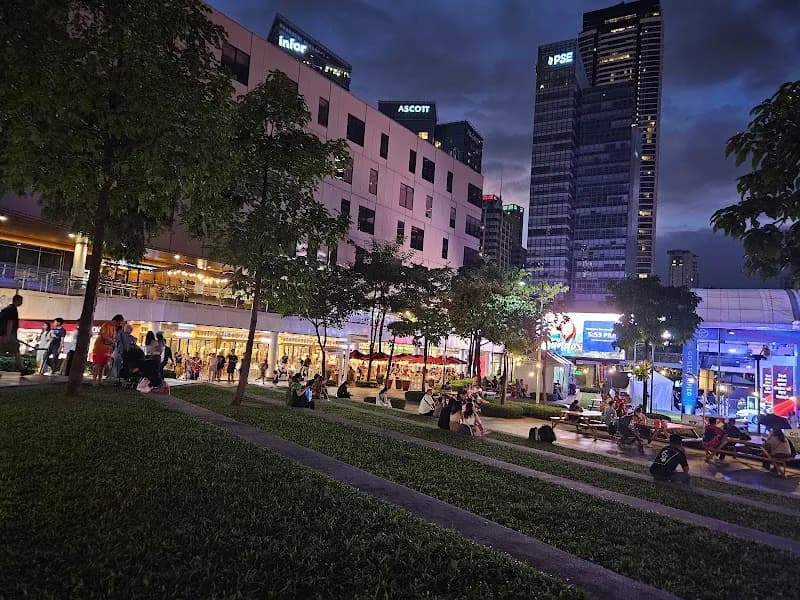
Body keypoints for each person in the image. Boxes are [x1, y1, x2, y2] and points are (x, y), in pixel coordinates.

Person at [92, 314, 124, 386]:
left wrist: (113, 345)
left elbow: (112, 338)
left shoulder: (114, 328)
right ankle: (94, 381)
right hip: (100, 348)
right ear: (115, 321)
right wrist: (113, 342)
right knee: (98, 364)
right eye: (118, 323)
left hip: (107, 349)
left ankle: (100, 381)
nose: (119, 325)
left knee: (103, 365)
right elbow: (104, 336)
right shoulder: (106, 325)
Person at [0, 294, 24, 375]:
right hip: (9, 335)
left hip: (3, 334)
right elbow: (10, 322)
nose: (22, 303)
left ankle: (22, 369)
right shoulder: (12, 309)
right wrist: (8, 335)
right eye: (21, 301)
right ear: (16, 300)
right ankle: (21, 369)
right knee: (16, 350)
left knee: (8, 350)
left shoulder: (6, 309)